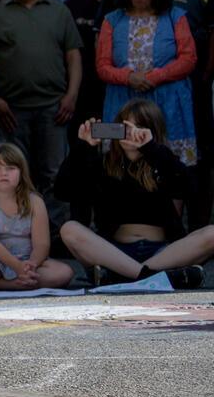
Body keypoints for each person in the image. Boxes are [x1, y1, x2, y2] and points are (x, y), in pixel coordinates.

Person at [56, 99, 214, 287]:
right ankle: (149, 277)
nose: (130, 132)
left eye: (138, 126)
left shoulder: (161, 159)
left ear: (151, 130)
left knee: (212, 233)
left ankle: (126, 278)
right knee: (69, 229)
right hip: (116, 253)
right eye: (125, 126)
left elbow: (189, 188)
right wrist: (83, 147)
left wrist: (150, 149)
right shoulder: (104, 165)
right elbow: (64, 191)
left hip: (163, 253)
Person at [0, 0, 83, 193]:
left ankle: (56, 230)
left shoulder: (59, 12)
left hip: (54, 109)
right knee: (14, 175)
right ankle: (20, 228)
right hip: (11, 111)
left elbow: (74, 57)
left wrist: (72, 95)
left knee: (55, 174)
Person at [96, 0, 199, 165]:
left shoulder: (175, 16)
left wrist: (154, 77)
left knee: (169, 163)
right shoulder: (111, 20)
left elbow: (189, 59)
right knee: (120, 160)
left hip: (168, 103)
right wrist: (129, 77)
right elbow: (102, 67)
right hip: (121, 101)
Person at [0, 143, 74, 291]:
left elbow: (42, 244)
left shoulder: (35, 201)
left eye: (10, 168)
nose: (3, 173)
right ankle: (3, 284)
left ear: (21, 172)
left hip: (29, 261)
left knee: (64, 272)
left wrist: (31, 265)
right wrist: (16, 266)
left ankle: (2, 284)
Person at [64, 0, 128, 144]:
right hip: (79, 89)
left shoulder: (127, 11)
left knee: (112, 139)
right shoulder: (72, 5)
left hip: (113, 89)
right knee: (81, 143)